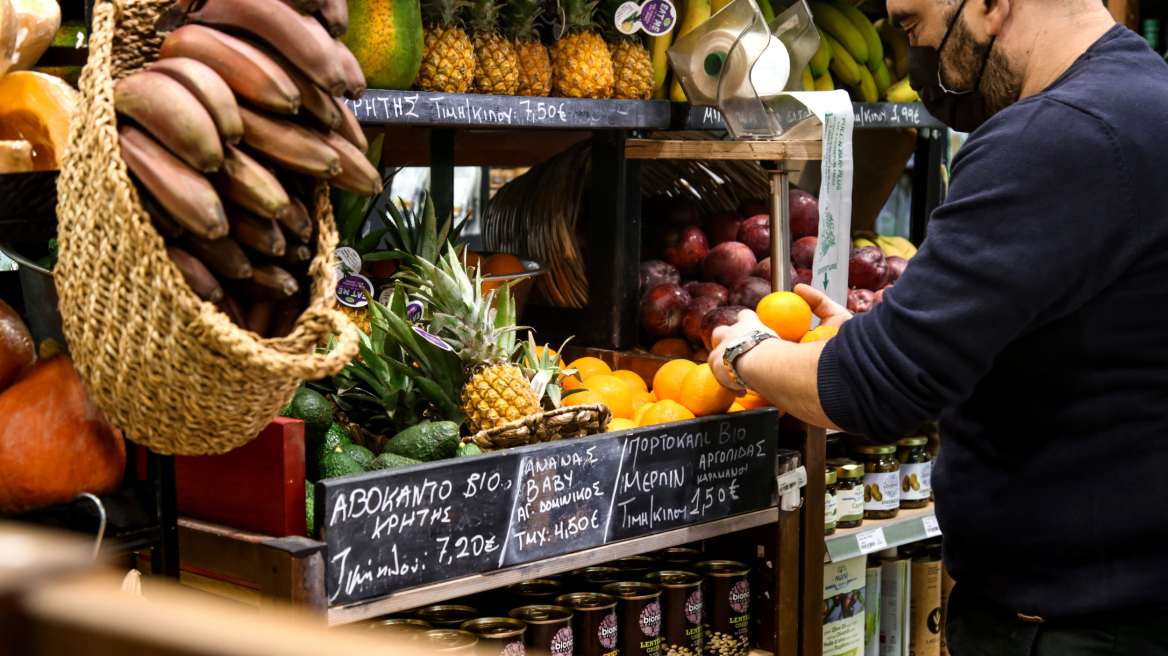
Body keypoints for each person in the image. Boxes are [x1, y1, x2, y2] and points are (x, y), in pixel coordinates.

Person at [705, 0, 1168, 652]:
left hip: (1078, 630)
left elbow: (877, 389)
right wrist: (887, 336)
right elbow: (1070, 335)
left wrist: (745, 349)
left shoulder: (1056, 137)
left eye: (912, 26)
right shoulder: (1147, 96)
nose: (914, 62)